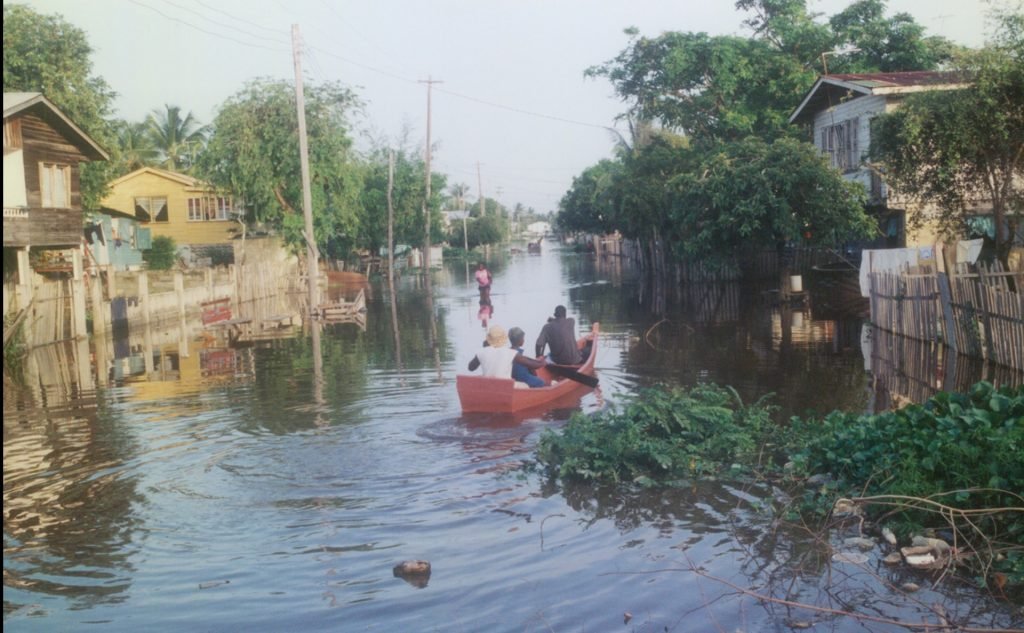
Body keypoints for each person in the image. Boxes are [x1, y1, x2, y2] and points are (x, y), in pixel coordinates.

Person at [469, 325, 546, 380]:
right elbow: (533, 365)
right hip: (506, 388)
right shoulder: (511, 353)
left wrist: (484, 349)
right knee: (526, 385)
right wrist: (543, 362)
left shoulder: (482, 352)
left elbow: (471, 368)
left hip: (489, 386)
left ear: (489, 339)